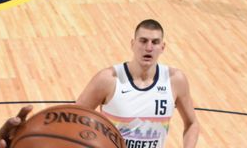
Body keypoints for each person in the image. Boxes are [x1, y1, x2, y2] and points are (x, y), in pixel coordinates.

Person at [76, 19, 200, 148]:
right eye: (143, 41)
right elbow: (73, 119)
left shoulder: (175, 80)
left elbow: (192, 124)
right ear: (133, 44)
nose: (149, 48)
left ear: (162, 47)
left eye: (155, 42)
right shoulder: (107, 79)